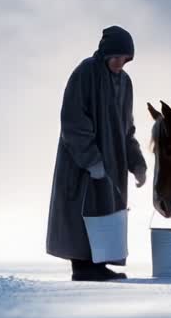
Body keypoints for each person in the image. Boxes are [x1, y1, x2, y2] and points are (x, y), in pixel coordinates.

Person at [46, 26, 148, 281]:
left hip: (113, 161)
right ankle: (82, 267)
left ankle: (99, 264)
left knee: (106, 214)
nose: (120, 63)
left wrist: (137, 163)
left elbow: (127, 128)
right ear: (104, 54)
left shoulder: (125, 82)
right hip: (81, 163)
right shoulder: (85, 73)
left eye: (125, 59)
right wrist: (91, 160)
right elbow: (73, 121)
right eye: (116, 58)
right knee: (82, 211)